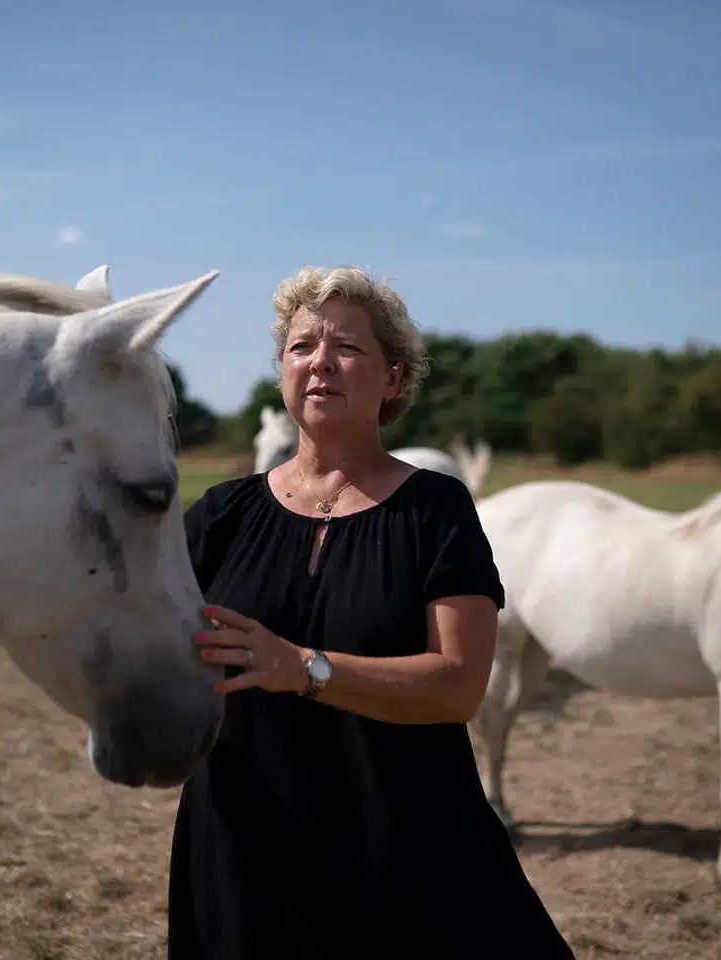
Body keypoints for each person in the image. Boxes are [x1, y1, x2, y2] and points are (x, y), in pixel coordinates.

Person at [166, 265, 574, 959]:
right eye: (302, 347)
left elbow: (459, 685)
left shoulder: (436, 511)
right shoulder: (220, 516)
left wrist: (302, 668)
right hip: (247, 849)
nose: (321, 361)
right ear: (282, 372)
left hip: (406, 851)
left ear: (393, 379)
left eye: (347, 347)